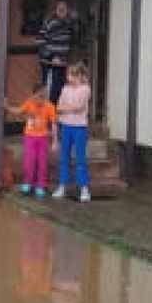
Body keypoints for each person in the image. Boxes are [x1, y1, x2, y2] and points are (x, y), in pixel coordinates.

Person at [5, 85, 58, 198]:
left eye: (44, 96)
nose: (41, 99)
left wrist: (55, 141)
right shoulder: (29, 103)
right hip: (30, 136)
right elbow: (19, 111)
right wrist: (7, 107)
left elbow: (54, 124)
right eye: (39, 97)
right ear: (33, 96)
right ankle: (27, 183)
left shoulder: (50, 106)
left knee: (42, 162)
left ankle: (41, 185)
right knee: (29, 160)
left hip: (43, 137)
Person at [53, 62, 92, 202]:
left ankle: (84, 188)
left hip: (80, 127)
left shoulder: (86, 88)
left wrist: (67, 108)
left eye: (72, 75)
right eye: (69, 75)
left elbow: (79, 106)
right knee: (64, 158)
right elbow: (58, 106)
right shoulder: (65, 88)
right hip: (66, 126)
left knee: (80, 158)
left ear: (81, 76)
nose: (69, 78)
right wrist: (68, 108)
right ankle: (62, 186)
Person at [36, 0, 74, 103]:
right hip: (50, 64)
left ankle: (54, 116)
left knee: (59, 91)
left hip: (62, 63)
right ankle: (48, 116)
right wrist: (51, 56)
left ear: (68, 10)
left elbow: (73, 41)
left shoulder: (69, 24)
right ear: (55, 10)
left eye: (64, 8)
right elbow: (39, 40)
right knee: (49, 92)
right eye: (59, 8)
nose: (62, 10)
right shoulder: (49, 23)